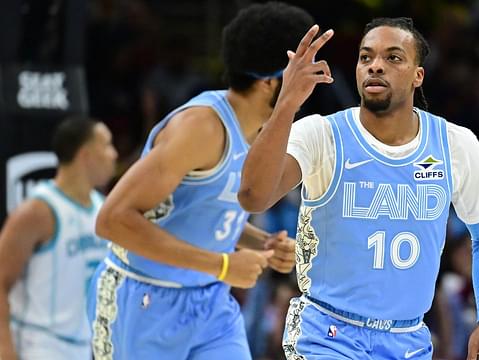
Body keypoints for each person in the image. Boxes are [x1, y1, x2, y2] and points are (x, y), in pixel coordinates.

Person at [239, 17, 479, 360]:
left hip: (407, 338)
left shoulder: (455, 145)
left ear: (418, 75)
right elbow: (253, 196)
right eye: (366, 57)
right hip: (326, 332)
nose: (376, 66)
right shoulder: (321, 135)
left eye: (393, 58)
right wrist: (286, 105)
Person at [87, 3, 313, 360]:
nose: (315, 81)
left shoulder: (262, 132)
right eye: (306, 70)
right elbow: (112, 220)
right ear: (272, 81)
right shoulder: (202, 128)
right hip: (143, 300)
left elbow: (201, 212)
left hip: (210, 304)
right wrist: (222, 265)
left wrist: (262, 242)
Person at [0, 117, 117, 360]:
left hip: (84, 347)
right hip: (37, 346)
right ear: (85, 155)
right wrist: (4, 348)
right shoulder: (38, 211)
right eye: (106, 145)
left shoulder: (102, 209)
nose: (114, 154)